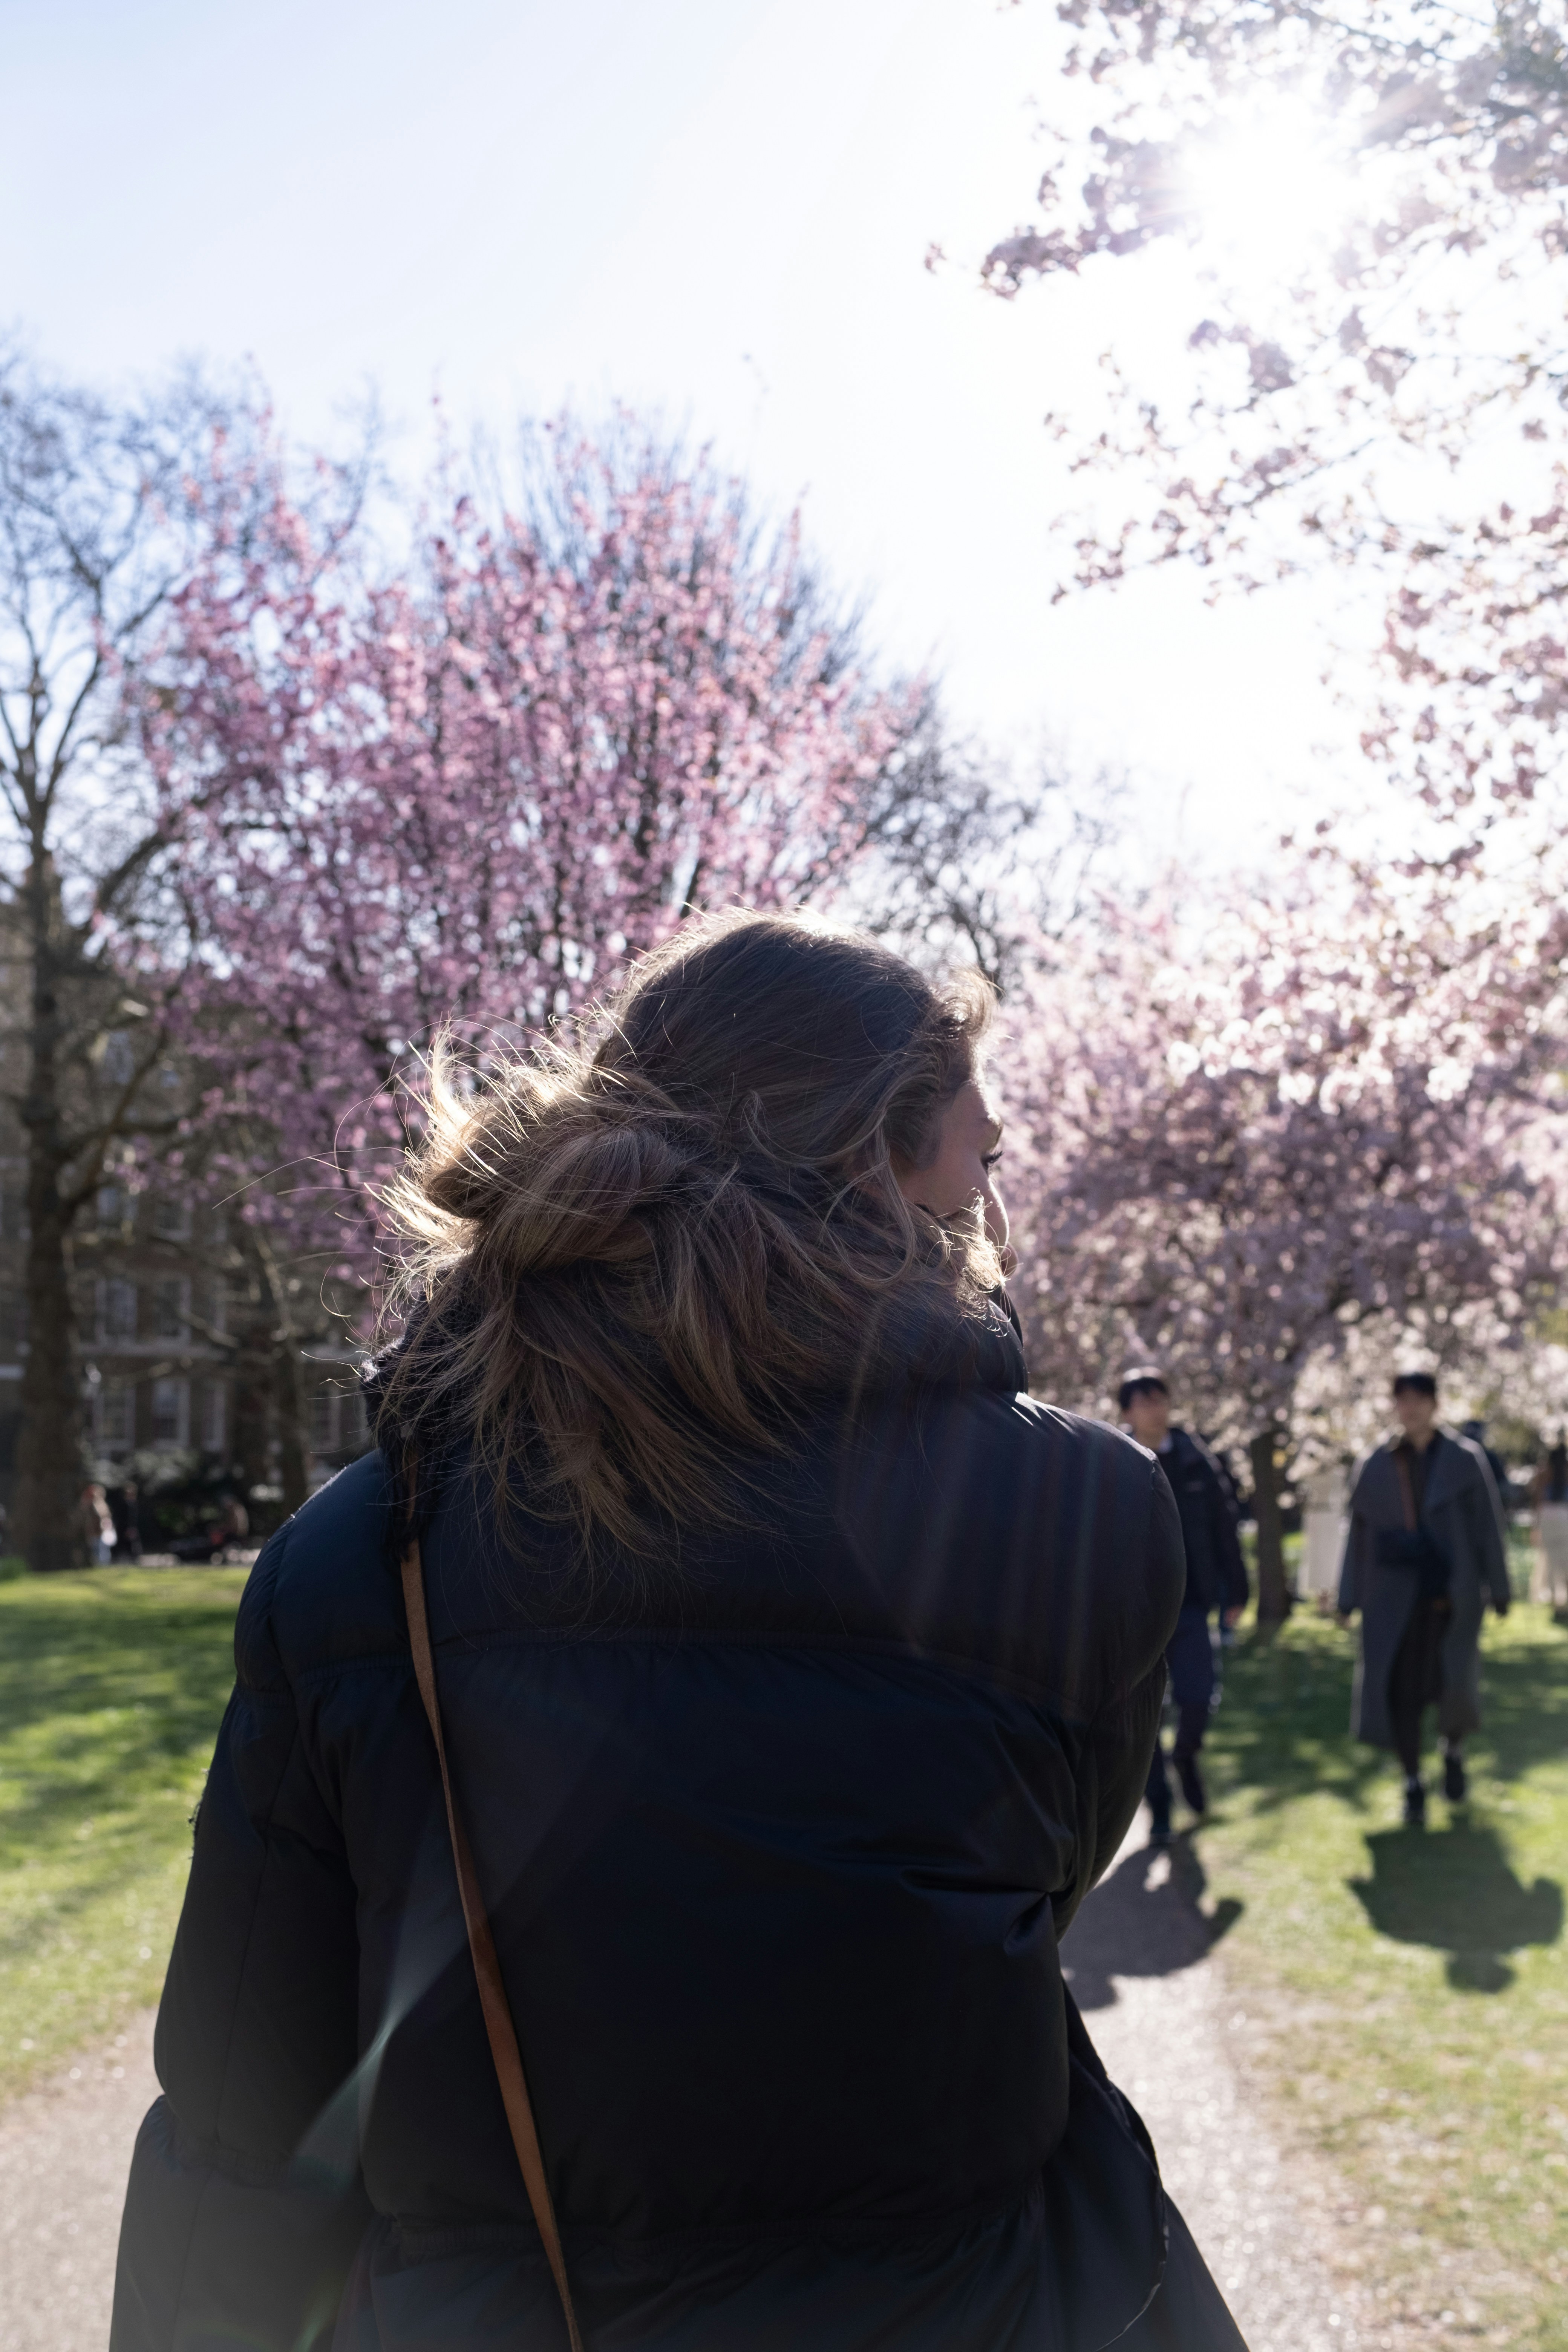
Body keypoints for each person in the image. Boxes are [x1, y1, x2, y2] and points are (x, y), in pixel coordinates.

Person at [112, 914, 1245, 2352]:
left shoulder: (363, 1547)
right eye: (985, 1152)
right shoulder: (1084, 1515)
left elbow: (245, 2112)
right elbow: (1042, 1878)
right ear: (870, 1163)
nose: (998, 1197)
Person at [1338, 1371, 1510, 1826]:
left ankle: (1452, 1750)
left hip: (1448, 1598)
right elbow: (1356, 1538)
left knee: (1452, 1684)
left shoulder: (1464, 1460)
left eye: (1419, 1399)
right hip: (1391, 1599)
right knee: (1400, 1692)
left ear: (1435, 1403)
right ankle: (1412, 1780)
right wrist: (1346, 1597)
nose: (1410, 1408)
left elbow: (1487, 1529)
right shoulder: (1374, 1465)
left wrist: (1499, 1587)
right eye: (1403, 1400)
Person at [1119, 1369, 1250, 1841]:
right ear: (1127, 1412)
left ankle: (1186, 1757)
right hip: (1137, 1611)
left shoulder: (1197, 1459)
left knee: (1198, 1697)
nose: (1155, 1408)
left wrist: (1237, 1589)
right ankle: (1159, 1809)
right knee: (1145, 1714)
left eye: (1160, 1398)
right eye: (1144, 1401)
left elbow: (1224, 1525)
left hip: (1192, 1603)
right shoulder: (1115, 1461)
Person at [1531, 1433, 1568, 1612]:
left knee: (1551, 1560)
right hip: (1564, 1517)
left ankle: (1556, 1599)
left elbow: (1538, 1501)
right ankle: (1562, 1598)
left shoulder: (1544, 1472)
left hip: (1548, 1517)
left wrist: (1536, 1526)